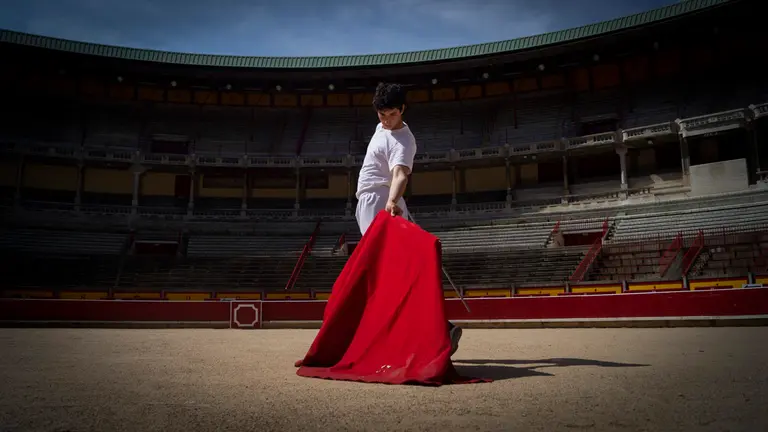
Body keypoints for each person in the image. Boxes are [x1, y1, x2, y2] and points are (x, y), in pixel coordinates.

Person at [354, 82, 463, 356]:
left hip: (381, 201)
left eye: (392, 114)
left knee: (386, 273)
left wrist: (391, 201)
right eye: (382, 115)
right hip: (368, 202)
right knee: (392, 272)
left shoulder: (404, 140)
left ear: (403, 109)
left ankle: (434, 330)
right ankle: (435, 330)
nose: (387, 121)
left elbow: (401, 174)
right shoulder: (382, 127)